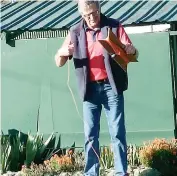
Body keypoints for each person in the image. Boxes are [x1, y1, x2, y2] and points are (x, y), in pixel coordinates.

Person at [55, 1, 138, 175]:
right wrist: (63, 52)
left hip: (111, 87)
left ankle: (121, 172)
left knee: (117, 133)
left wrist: (132, 50)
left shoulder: (114, 26)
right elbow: (58, 62)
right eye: (87, 15)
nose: (91, 18)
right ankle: (91, 173)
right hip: (89, 90)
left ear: (99, 9)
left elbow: (133, 53)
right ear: (81, 15)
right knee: (90, 136)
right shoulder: (75, 31)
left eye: (94, 13)